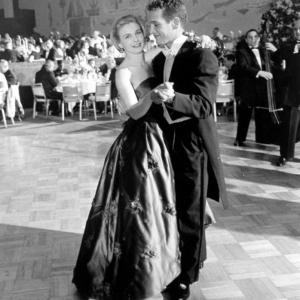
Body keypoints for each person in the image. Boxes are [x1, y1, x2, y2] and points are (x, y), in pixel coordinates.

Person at [72, 15, 180, 300]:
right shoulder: (121, 72)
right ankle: (141, 272)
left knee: (163, 204)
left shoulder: (154, 54)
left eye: (138, 33)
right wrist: (153, 95)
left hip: (165, 137)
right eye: (128, 36)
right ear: (118, 42)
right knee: (141, 208)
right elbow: (132, 111)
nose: (135, 39)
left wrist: (196, 41)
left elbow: (176, 45)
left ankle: (167, 264)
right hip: (141, 143)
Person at [146, 1, 228, 299]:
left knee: (191, 212)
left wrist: (171, 97)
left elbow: (204, 105)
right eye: (150, 24)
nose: (151, 30)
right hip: (164, 141)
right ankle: (180, 258)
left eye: (156, 24)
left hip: (192, 143)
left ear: (176, 24)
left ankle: (186, 277)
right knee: (171, 205)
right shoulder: (157, 60)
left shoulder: (201, 56)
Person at [267, 19, 300, 166]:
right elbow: (275, 58)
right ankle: (285, 156)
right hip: (291, 94)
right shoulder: (288, 48)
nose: (298, 32)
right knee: (288, 126)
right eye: (296, 29)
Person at [233, 29, 274, 146]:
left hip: (262, 88)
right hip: (248, 88)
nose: (253, 39)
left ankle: (261, 139)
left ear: (259, 38)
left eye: (255, 36)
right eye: (250, 37)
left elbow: (270, 64)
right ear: (246, 40)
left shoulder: (264, 51)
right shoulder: (241, 52)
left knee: (261, 114)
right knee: (245, 114)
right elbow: (243, 67)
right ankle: (240, 138)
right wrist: (260, 72)